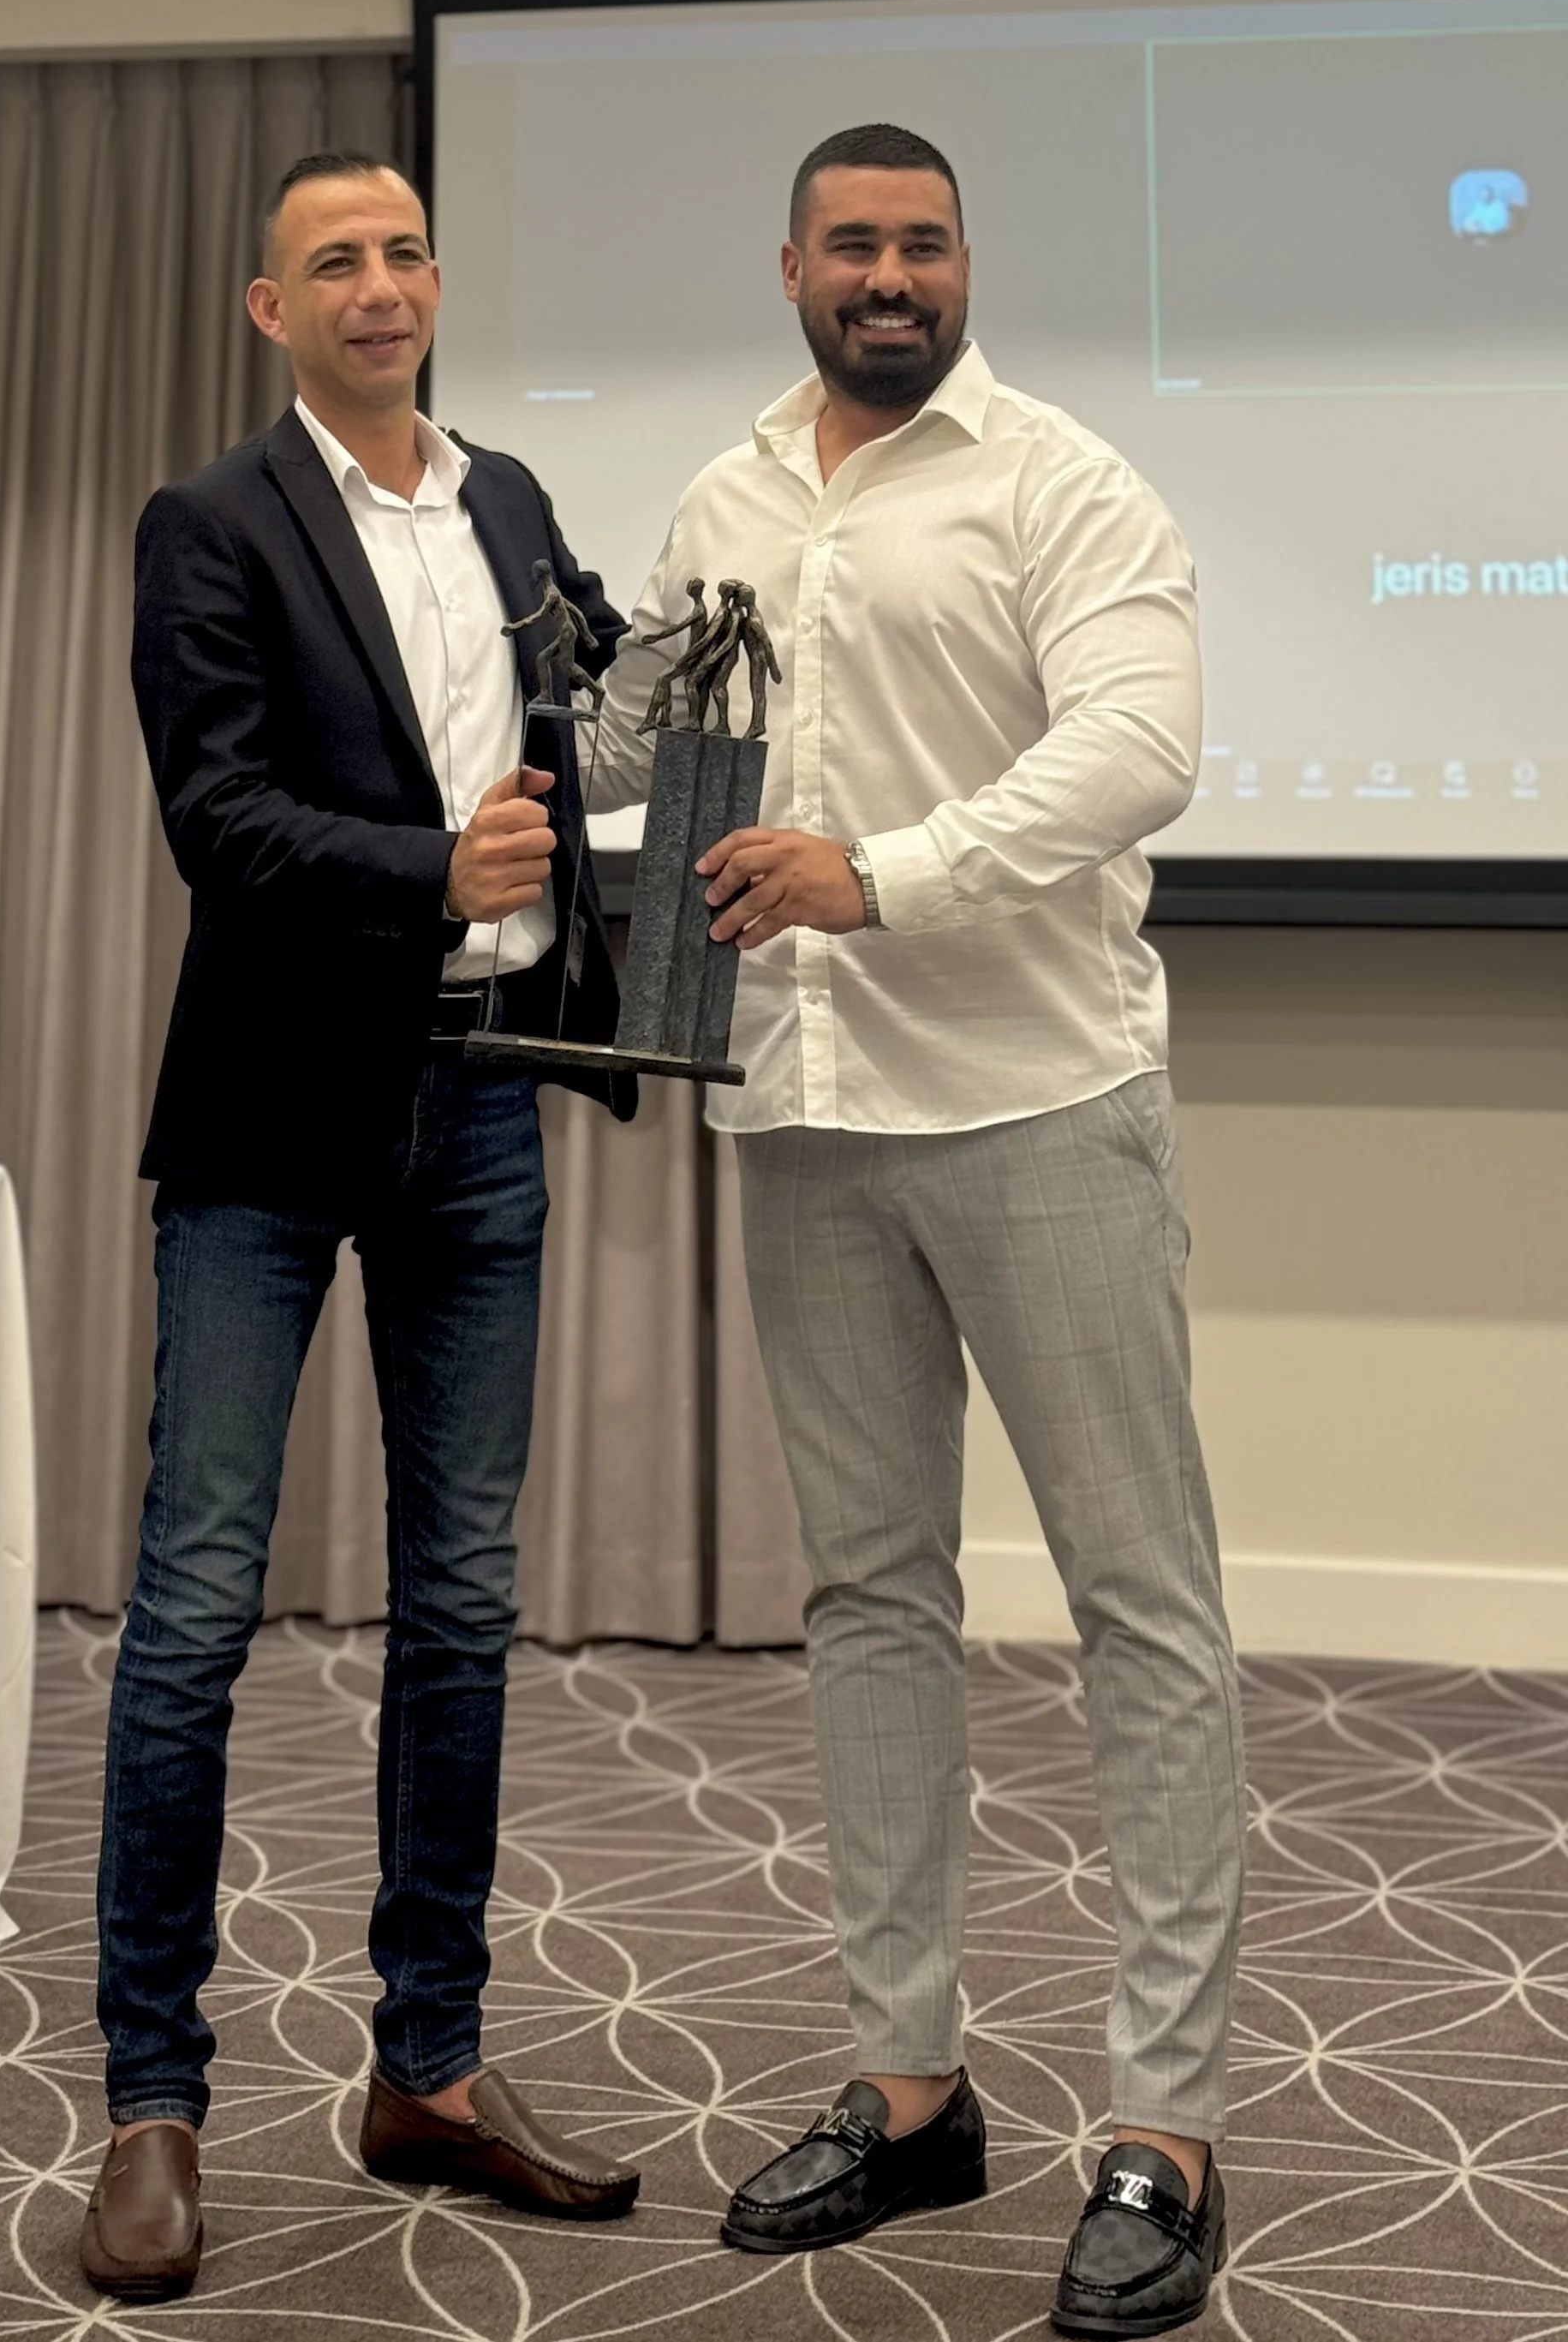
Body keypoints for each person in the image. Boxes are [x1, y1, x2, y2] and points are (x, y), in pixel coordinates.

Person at [591, 123, 1243, 2338]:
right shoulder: (722, 497)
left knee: (1140, 1605)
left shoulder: (1066, 483)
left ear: (970, 262)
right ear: (791, 262)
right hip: (808, 1115)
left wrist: (892, 867)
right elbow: (671, 757)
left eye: (925, 242)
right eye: (853, 243)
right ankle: (911, 2083)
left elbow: (1142, 743)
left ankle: (1163, 2126)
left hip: (1043, 1100)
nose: (890, 274)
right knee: (871, 1600)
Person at [81, 150, 641, 2304]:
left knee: (464, 1602)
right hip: (265, 1125)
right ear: (269, 307)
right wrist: (444, 866)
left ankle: (429, 2067)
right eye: (339, 261)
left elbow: (588, 729)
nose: (383, 285)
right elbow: (217, 812)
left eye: (406, 251)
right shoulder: (211, 525)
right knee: (200, 1607)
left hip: (483, 1115)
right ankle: (154, 2097)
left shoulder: (506, 503)